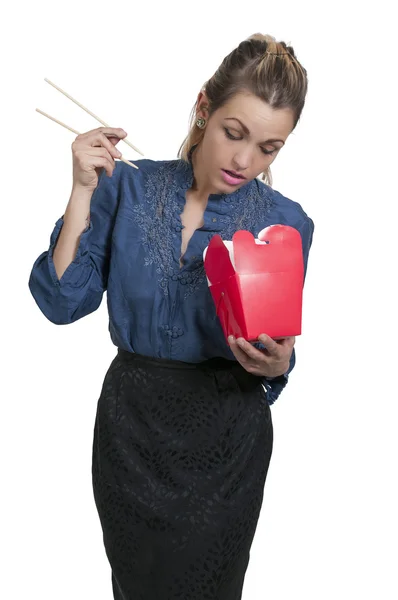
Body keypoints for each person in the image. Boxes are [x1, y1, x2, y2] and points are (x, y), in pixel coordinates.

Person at [29, 32, 314, 600]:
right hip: (131, 430)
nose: (244, 160)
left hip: (226, 437)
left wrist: (280, 361)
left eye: (268, 147)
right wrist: (82, 190)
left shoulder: (287, 222)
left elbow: (276, 349)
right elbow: (62, 303)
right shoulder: (127, 187)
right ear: (204, 107)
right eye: (235, 133)